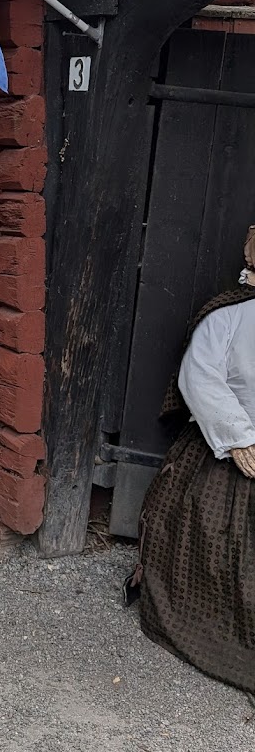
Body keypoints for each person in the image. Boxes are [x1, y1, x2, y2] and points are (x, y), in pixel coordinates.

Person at [126, 225, 255, 694]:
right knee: (213, 547)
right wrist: (239, 439)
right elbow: (199, 377)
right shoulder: (227, 314)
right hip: (225, 455)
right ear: (248, 245)